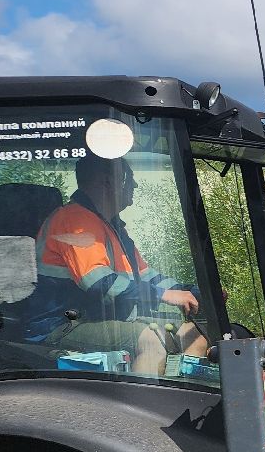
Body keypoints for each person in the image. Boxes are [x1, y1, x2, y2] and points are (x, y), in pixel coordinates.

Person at [26, 154, 208, 376]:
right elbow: (100, 283)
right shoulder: (75, 221)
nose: (135, 184)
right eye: (128, 177)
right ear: (106, 182)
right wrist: (163, 295)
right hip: (61, 326)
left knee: (193, 333)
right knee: (152, 340)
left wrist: (197, 293)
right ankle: (144, 408)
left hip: (100, 320)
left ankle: (185, 402)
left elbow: (147, 276)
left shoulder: (112, 228)